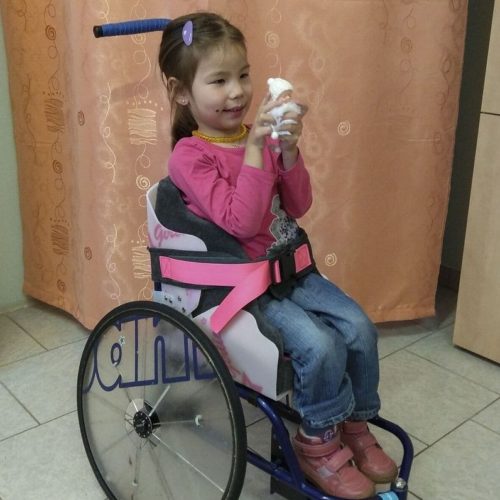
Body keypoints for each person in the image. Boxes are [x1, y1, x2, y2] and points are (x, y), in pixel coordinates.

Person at [158, 12, 397, 499]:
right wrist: (254, 151)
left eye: (244, 75)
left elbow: (299, 205)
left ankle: (353, 423)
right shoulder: (190, 156)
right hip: (242, 284)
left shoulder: (258, 136)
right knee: (319, 346)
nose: (237, 92)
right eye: (219, 81)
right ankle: (317, 443)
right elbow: (242, 222)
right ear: (181, 91)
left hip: (288, 268)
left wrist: (287, 153)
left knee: (358, 327)